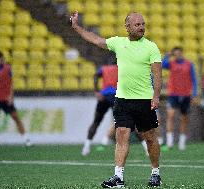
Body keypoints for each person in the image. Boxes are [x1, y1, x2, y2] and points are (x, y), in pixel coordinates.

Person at [70, 12, 162, 188]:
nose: (141, 27)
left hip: (144, 100)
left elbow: (158, 76)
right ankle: (118, 177)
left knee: (150, 138)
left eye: (143, 24)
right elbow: (96, 40)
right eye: (137, 24)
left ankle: (155, 173)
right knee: (121, 135)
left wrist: (156, 96)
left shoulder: (151, 47)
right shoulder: (118, 43)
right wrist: (77, 27)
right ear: (127, 27)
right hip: (122, 100)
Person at [162, 47, 197, 150]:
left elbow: (194, 79)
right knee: (170, 115)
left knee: (184, 119)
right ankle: (169, 142)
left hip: (185, 94)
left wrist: (194, 94)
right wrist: (167, 55)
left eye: (178, 53)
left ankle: (182, 142)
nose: (177, 55)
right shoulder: (171, 63)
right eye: (175, 54)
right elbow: (162, 65)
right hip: (173, 94)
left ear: (182, 53)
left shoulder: (189, 64)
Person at [82, 63, 118, 156]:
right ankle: (145, 148)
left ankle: (86, 147)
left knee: (96, 122)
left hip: (103, 96)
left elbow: (95, 76)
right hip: (115, 96)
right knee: (126, 121)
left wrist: (96, 91)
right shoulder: (121, 67)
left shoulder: (104, 68)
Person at [0, 50, 31, 146]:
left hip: (6, 98)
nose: (0, 60)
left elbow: (11, 83)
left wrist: (11, 97)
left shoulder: (7, 69)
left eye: (0, 59)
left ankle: (26, 139)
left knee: (16, 117)